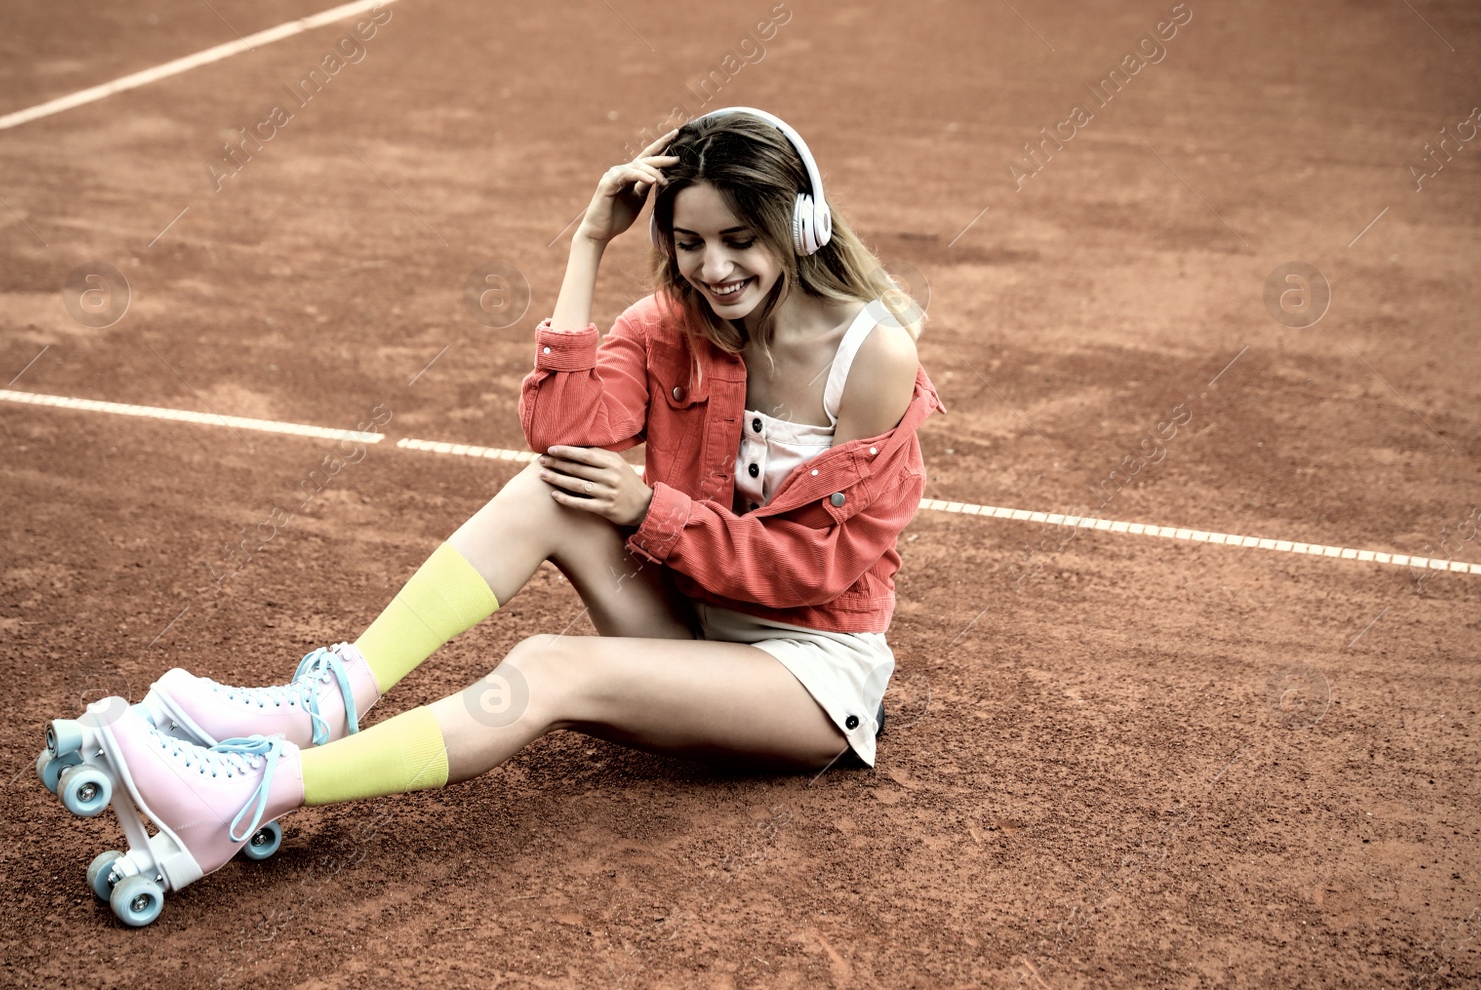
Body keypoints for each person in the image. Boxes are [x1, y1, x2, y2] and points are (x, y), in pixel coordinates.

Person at [52, 107, 946, 915]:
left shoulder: (873, 357)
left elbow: (818, 571)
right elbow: (560, 434)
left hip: (806, 675)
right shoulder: (674, 319)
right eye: (687, 243)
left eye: (740, 239)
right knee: (550, 487)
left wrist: (652, 509)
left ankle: (253, 792)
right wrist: (586, 247)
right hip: (700, 630)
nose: (713, 269)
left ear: (801, 222)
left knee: (548, 668)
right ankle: (327, 700)